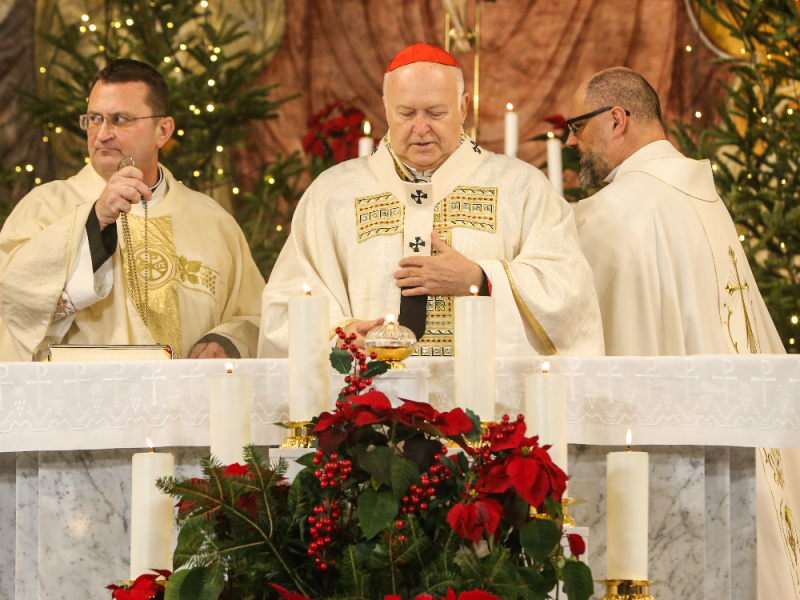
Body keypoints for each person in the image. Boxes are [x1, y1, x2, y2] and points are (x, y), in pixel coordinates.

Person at [260, 43, 604, 358]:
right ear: (386, 108)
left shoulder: (521, 188)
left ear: (463, 107)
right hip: (367, 405)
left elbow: (568, 288)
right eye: (406, 113)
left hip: (489, 408)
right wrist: (342, 334)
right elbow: (287, 301)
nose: (421, 128)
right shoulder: (332, 194)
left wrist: (480, 278)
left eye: (435, 113)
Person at [0, 59, 264, 360]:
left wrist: (225, 341)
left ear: (162, 130)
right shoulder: (44, 207)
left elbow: (255, 318)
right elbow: (14, 304)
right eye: (94, 119)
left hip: (189, 403)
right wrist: (95, 219)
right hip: (81, 402)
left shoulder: (213, 221)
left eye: (120, 119)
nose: (102, 134)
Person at [568, 67, 784, 356]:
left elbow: (574, 324)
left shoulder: (611, 213)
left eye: (577, 126)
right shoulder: (704, 198)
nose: (570, 141)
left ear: (617, 120)